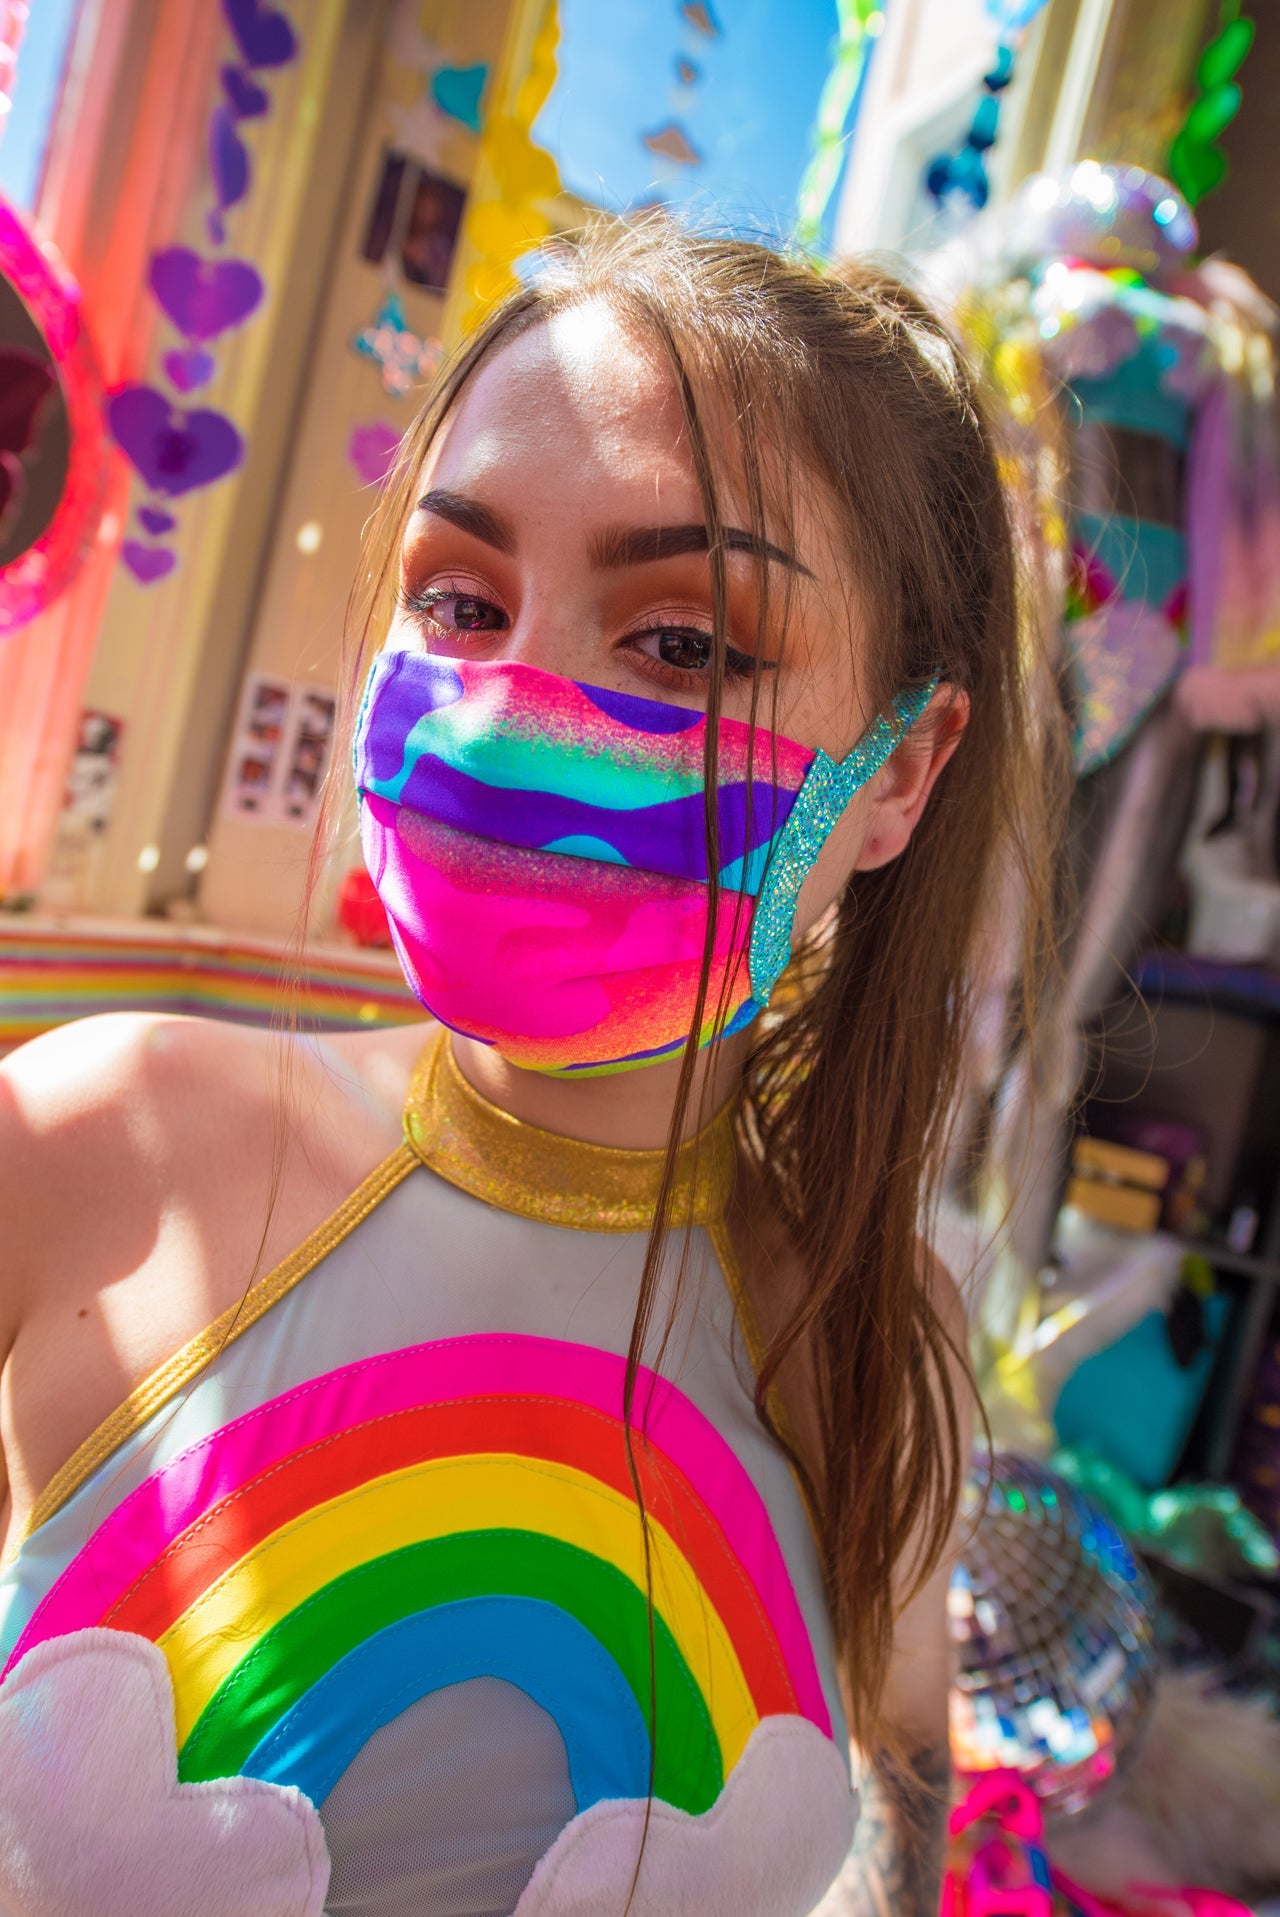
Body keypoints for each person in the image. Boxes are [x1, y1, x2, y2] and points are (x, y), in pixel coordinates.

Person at [0, 222, 1060, 1917]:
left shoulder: (870, 1333)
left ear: (904, 773)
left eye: (685, 643)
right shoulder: (85, 1146)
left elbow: (903, 1785)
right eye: (460, 601)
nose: (503, 710)